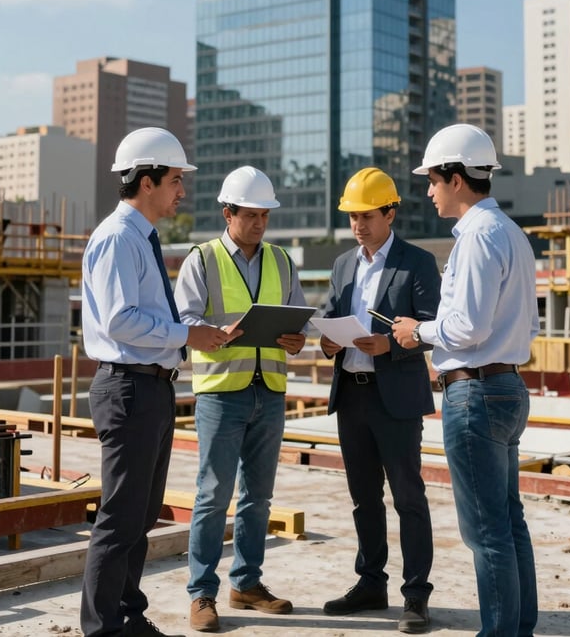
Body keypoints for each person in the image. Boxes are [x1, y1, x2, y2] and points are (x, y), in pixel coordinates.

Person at [80, 127, 237, 637]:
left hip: (149, 386)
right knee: (120, 517)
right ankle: (102, 628)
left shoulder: (140, 238)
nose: (181, 191)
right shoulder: (119, 237)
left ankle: (128, 616)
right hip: (128, 387)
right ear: (145, 181)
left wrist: (188, 338)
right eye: (174, 180)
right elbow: (120, 322)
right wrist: (186, 332)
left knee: (141, 515)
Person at [392, 124, 539, 637]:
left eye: (432, 180)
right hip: (506, 386)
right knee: (508, 519)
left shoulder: (477, 236)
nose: (428, 190)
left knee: (486, 529)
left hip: (476, 392)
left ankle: (500, 632)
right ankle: (518, 627)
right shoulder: (512, 234)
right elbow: (526, 323)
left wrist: (418, 332)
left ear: (456, 178)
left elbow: (468, 327)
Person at [174, 166, 308, 633]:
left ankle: (246, 583)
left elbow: (298, 318)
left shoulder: (282, 261)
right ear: (227, 213)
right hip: (220, 395)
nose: (259, 224)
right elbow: (185, 322)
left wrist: (297, 339)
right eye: (250, 215)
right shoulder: (202, 260)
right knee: (213, 496)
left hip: (268, 392)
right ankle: (202, 593)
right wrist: (215, 335)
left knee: (259, 498)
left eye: (264, 215)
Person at [318, 168, 440, 634]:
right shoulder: (343, 264)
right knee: (363, 499)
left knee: (409, 498)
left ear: (390, 211)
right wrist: (329, 342)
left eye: (366, 215)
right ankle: (371, 584)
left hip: (397, 401)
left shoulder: (418, 263)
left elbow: (432, 327)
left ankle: (416, 596)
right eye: (352, 216)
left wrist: (391, 344)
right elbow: (331, 315)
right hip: (352, 396)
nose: (358, 225)